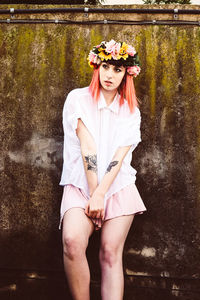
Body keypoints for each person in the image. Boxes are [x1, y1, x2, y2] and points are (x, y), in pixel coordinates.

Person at [59, 39, 146, 300]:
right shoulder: (77, 98)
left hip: (117, 186)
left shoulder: (131, 110)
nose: (110, 75)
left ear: (127, 75)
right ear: (97, 66)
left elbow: (119, 157)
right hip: (81, 184)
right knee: (72, 243)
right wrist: (94, 193)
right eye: (106, 66)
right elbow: (88, 146)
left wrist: (102, 194)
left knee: (110, 251)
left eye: (118, 70)